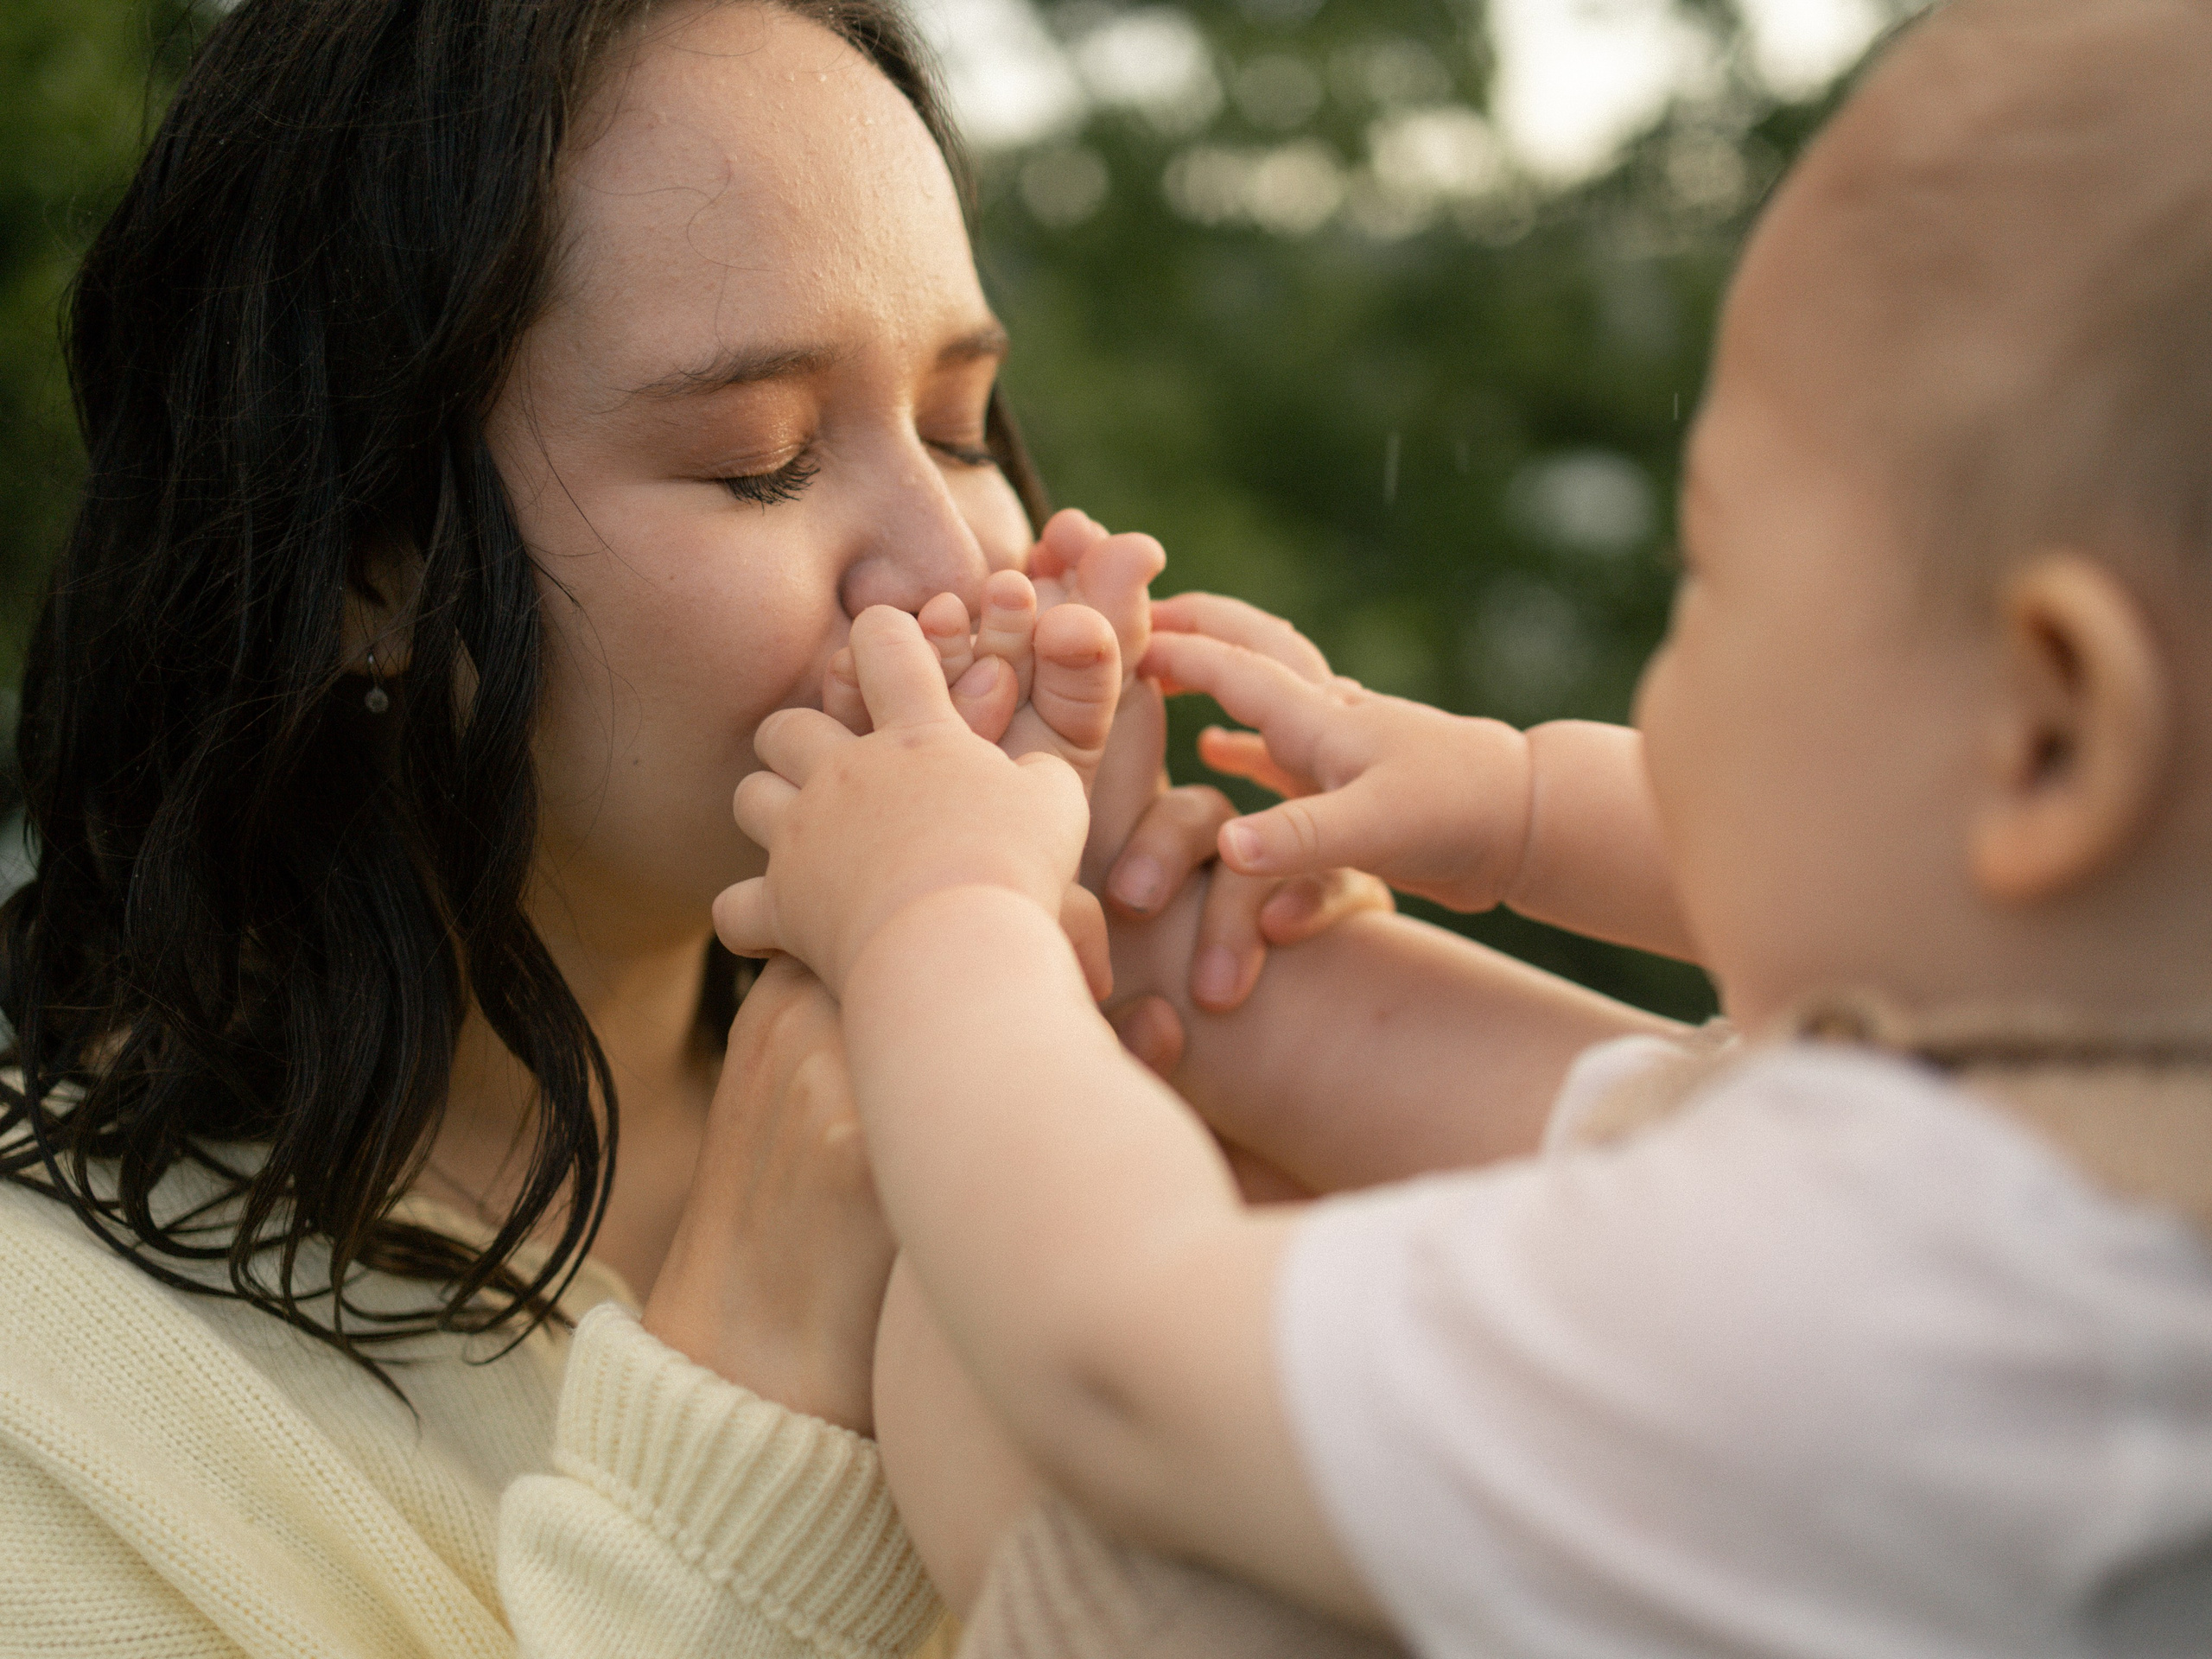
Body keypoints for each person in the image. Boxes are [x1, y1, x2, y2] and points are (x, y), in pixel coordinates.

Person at [716, 1, 2212, 1652]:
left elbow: (1115, 1353)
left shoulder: (1902, 1327)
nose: (1672, 669)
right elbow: (1718, 1050)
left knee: (995, 1339)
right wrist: (1513, 808)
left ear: (2053, 730)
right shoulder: (2098, 1204)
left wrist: (942, 915)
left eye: (1710, 581)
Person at [0, 0, 1391, 1653]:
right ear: (371, 565)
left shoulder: (1077, 1110)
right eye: (763, 462)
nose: (957, 570)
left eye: (960, 426)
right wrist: (767, 1373)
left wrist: (1267, 1118)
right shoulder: (57, 1404)